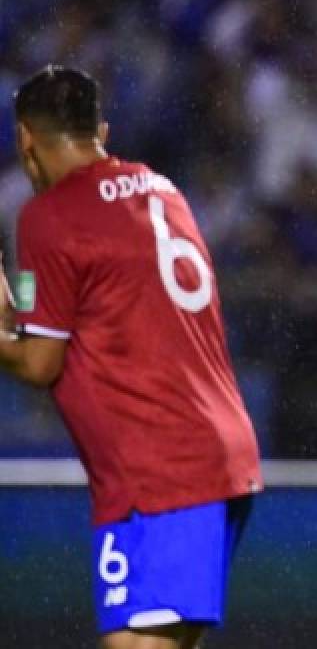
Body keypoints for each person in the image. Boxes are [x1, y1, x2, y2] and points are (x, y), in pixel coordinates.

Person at [0, 66, 262, 649]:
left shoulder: (48, 213)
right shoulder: (160, 189)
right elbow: (58, 302)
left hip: (163, 470)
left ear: (24, 138)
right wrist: (15, 309)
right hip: (207, 456)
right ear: (102, 131)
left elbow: (40, 361)